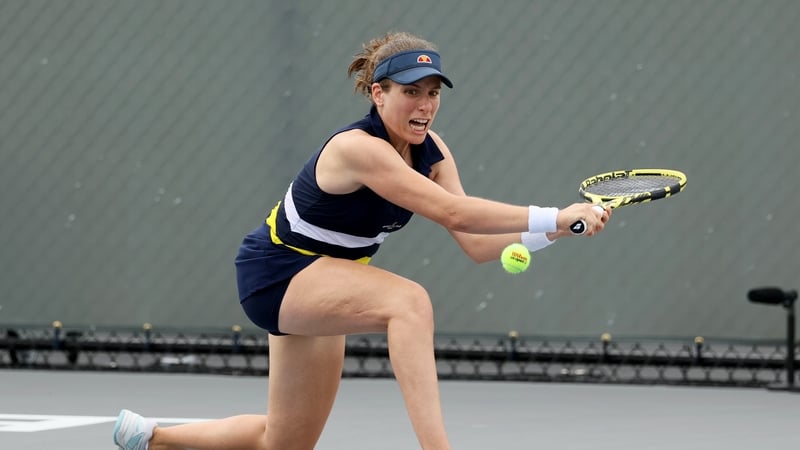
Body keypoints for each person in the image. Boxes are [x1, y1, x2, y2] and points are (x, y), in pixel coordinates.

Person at [113, 31, 610, 450]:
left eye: (433, 92)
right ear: (378, 94)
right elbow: (453, 211)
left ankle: (151, 438)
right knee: (409, 303)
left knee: (284, 442)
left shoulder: (432, 153)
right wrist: (554, 213)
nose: (425, 105)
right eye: (411, 91)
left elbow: (476, 243)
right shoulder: (357, 149)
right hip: (278, 273)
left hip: (329, 282)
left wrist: (557, 229)